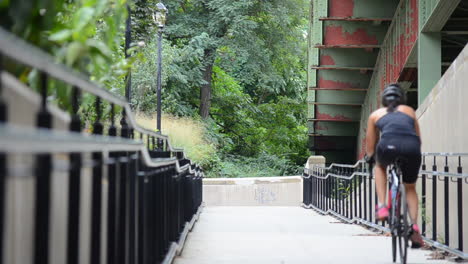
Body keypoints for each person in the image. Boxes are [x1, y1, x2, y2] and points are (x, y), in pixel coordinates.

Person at [365, 83, 424, 248]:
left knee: (379, 166)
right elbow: (417, 138)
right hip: (411, 148)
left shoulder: (375, 115)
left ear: (384, 100)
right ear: (402, 99)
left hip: (388, 147)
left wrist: (371, 157)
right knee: (410, 187)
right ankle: (414, 226)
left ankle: (382, 206)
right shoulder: (409, 111)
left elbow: (370, 146)